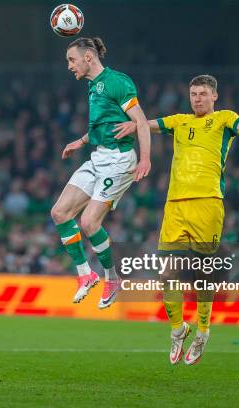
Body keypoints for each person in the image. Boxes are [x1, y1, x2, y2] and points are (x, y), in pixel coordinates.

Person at [114, 75, 239, 364]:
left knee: (202, 272)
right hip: (175, 206)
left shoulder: (224, 118)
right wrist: (132, 125)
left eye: (203, 93)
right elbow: (148, 125)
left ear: (214, 97)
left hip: (207, 203)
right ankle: (178, 329)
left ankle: (203, 331)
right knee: (166, 272)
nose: (197, 98)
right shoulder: (179, 121)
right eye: (193, 93)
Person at [50, 37, 151, 309]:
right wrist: (80, 142)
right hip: (99, 156)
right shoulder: (94, 86)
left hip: (119, 161)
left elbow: (140, 121)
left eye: (72, 60)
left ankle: (112, 278)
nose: (69, 66)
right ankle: (86, 274)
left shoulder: (118, 81)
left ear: (88, 57)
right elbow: (103, 124)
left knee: (89, 222)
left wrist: (145, 159)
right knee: (59, 212)